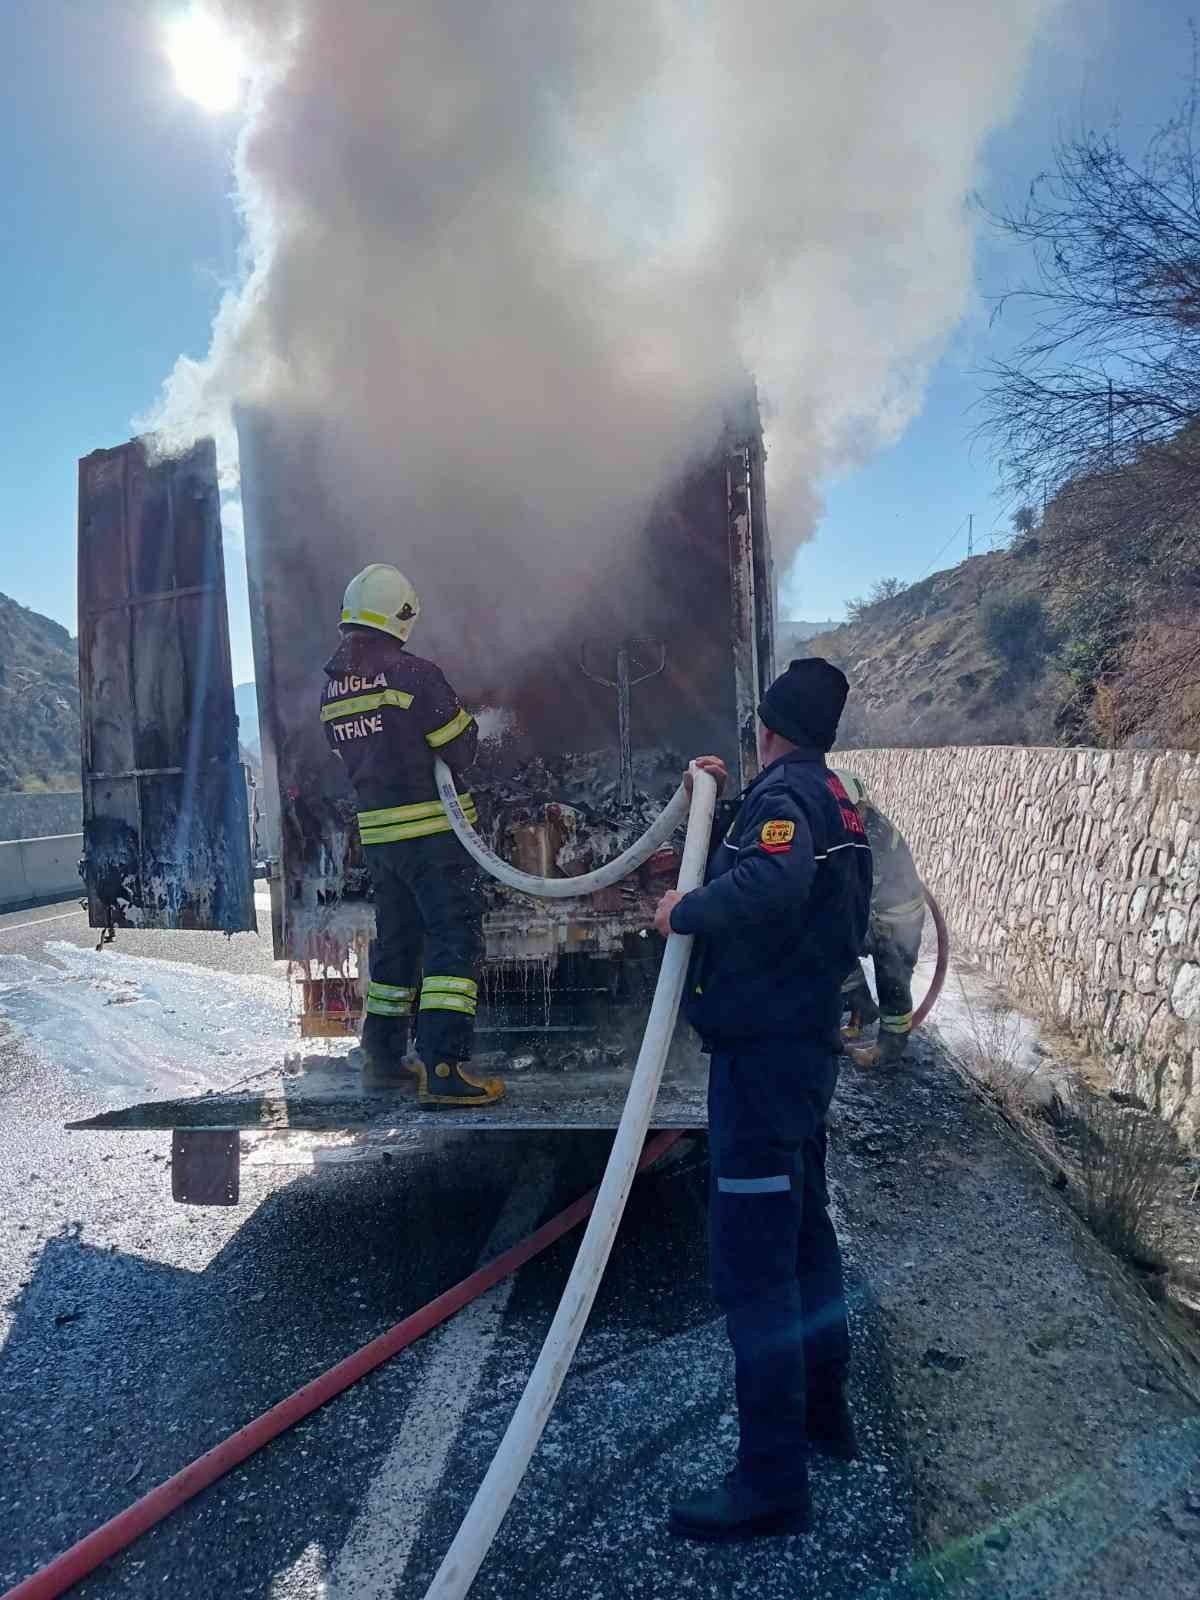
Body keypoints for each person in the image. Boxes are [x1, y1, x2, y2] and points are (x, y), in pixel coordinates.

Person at [653, 658, 872, 1542]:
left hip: (762, 1065)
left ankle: (771, 1485)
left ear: (769, 727)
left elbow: (773, 882)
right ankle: (825, 1418)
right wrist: (714, 804)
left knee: (755, 1272)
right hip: (803, 1057)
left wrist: (683, 911)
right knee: (808, 1240)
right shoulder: (834, 798)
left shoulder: (785, 798)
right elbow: (791, 865)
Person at [319, 563, 503, 1107]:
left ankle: (382, 1059)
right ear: (399, 616)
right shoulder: (415, 675)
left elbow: (352, 756)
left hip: (380, 841)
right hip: (434, 836)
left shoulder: (332, 690)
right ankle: (444, 1068)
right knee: (453, 939)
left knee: (397, 944)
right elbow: (460, 749)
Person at [833, 770, 925, 1068]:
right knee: (834, 950)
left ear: (858, 804)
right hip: (871, 914)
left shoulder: (874, 834)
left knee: (893, 980)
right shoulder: (852, 825)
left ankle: (889, 1049)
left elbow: (859, 886)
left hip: (898, 921)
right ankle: (862, 1010)